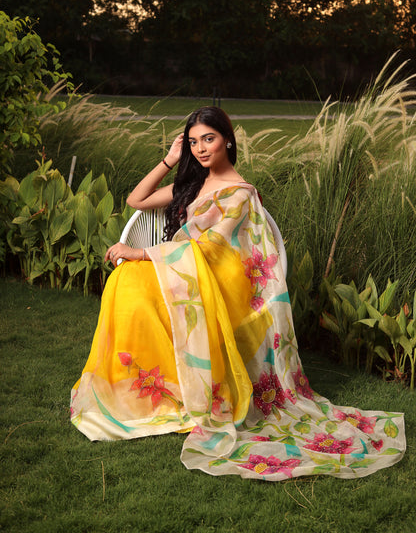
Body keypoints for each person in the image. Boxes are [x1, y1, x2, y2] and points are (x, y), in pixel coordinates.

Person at [71, 106, 406, 480]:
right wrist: (170, 158)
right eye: (194, 142)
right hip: (189, 269)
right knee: (126, 283)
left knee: (131, 278)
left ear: (228, 140)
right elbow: (136, 200)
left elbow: (212, 247)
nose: (200, 149)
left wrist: (140, 253)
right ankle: (151, 386)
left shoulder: (240, 193)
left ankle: (169, 387)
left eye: (208, 139)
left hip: (220, 279)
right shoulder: (192, 183)